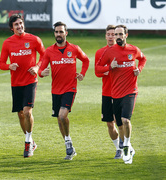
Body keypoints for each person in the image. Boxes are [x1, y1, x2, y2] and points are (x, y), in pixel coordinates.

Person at [95, 25, 147, 164]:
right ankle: (128, 147)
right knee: (119, 125)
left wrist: (139, 69)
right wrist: (110, 67)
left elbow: (143, 59)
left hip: (130, 91)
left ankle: (126, 148)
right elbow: (98, 68)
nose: (117, 36)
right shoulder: (109, 52)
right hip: (115, 94)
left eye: (119, 34)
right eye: (115, 34)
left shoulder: (133, 50)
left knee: (125, 120)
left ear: (126, 35)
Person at [38, 21, 89, 160]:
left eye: (61, 32)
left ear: (66, 33)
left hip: (70, 88)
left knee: (62, 115)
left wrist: (82, 74)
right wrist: (43, 73)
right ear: (54, 33)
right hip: (56, 90)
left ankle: (67, 142)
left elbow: (86, 60)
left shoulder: (74, 48)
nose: (59, 34)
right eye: (56, 32)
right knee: (59, 120)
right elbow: (41, 70)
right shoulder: (49, 51)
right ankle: (68, 143)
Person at [0, 14, 45, 158]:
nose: (20, 26)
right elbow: (1, 64)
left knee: (27, 112)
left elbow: (45, 56)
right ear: (12, 28)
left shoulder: (34, 39)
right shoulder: (7, 43)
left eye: (21, 23)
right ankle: (31, 141)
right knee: (20, 114)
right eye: (16, 25)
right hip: (16, 82)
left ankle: (27, 144)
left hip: (31, 81)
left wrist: (37, 67)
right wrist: (9, 66)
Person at [94, 25, 124, 159]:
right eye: (109, 34)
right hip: (107, 92)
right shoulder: (100, 53)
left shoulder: (122, 51)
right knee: (109, 123)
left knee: (121, 121)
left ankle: (125, 145)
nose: (112, 36)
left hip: (121, 92)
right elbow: (97, 72)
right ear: (106, 36)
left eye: (114, 34)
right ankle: (119, 147)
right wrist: (109, 68)